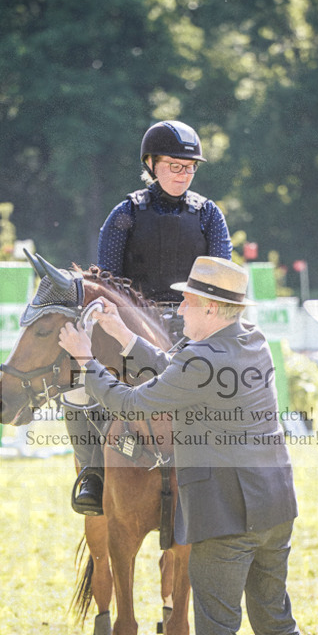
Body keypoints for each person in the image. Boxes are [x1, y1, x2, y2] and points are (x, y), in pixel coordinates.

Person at [59, 255, 318, 635]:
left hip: (226, 513)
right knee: (275, 619)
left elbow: (134, 400)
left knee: (217, 631)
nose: (180, 306)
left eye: (188, 299)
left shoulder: (198, 360)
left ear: (212, 308)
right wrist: (121, 333)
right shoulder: (250, 341)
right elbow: (178, 368)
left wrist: (84, 360)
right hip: (275, 505)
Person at [73, 119, 232, 515]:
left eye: (190, 167)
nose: (184, 174)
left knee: (231, 381)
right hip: (132, 323)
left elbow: (222, 280)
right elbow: (106, 280)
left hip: (193, 323)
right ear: (152, 164)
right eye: (175, 166)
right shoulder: (125, 214)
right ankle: (93, 474)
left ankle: (235, 466)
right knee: (80, 390)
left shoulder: (209, 214)